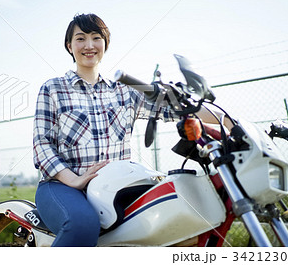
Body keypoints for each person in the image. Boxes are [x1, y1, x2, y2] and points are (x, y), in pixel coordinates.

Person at [32, 13, 224, 246]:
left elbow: (175, 109)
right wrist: (74, 180)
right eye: (80, 39)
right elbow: (42, 144)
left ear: (105, 44)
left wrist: (230, 122)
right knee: (81, 224)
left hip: (115, 187)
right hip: (62, 186)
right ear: (69, 46)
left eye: (96, 38)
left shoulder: (124, 90)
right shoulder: (53, 88)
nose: (89, 45)